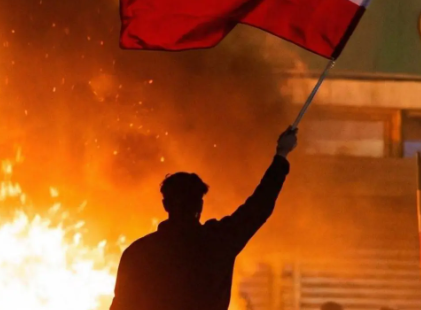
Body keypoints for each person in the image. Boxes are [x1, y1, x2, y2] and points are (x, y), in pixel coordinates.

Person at [110, 127, 299, 310]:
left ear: (165, 205)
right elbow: (259, 206)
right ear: (200, 205)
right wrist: (281, 155)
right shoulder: (217, 241)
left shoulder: (138, 253)